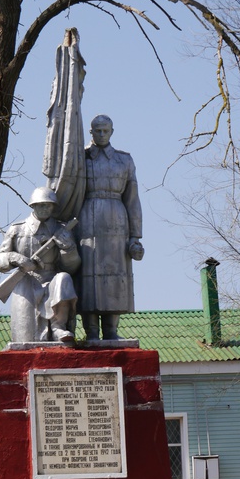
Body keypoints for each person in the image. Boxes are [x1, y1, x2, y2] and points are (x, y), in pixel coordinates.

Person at [76, 115, 144, 340]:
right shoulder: (80, 158)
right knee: (87, 278)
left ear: (112, 132)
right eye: (97, 131)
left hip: (117, 221)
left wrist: (135, 236)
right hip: (86, 219)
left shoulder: (124, 161)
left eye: (105, 130)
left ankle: (112, 331)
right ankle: (91, 332)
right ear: (90, 132)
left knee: (115, 276)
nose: (101, 134)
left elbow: (133, 199)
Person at [0, 187, 81, 343]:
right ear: (32, 205)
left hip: (52, 280)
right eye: (40, 204)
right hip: (27, 281)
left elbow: (72, 267)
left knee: (64, 279)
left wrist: (68, 249)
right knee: (25, 338)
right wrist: (14, 258)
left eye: (49, 205)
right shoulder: (17, 229)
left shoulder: (62, 230)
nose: (45, 208)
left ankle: (58, 328)